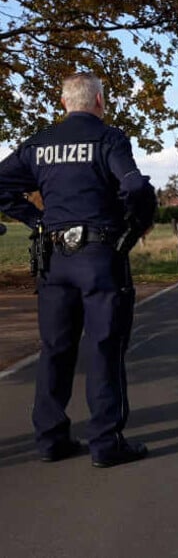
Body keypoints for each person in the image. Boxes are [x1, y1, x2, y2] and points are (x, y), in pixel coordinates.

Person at [0, 72, 156, 467]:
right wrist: (133, 225)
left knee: (55, 349)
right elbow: (135, 187)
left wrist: (35, 219)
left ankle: (51, 439)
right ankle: (105, 443)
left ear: (63, 102)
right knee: (104, 346)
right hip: (100, 256)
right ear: (100, 102)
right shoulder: (109, 139)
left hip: (54, 260)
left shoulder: (40, 143)